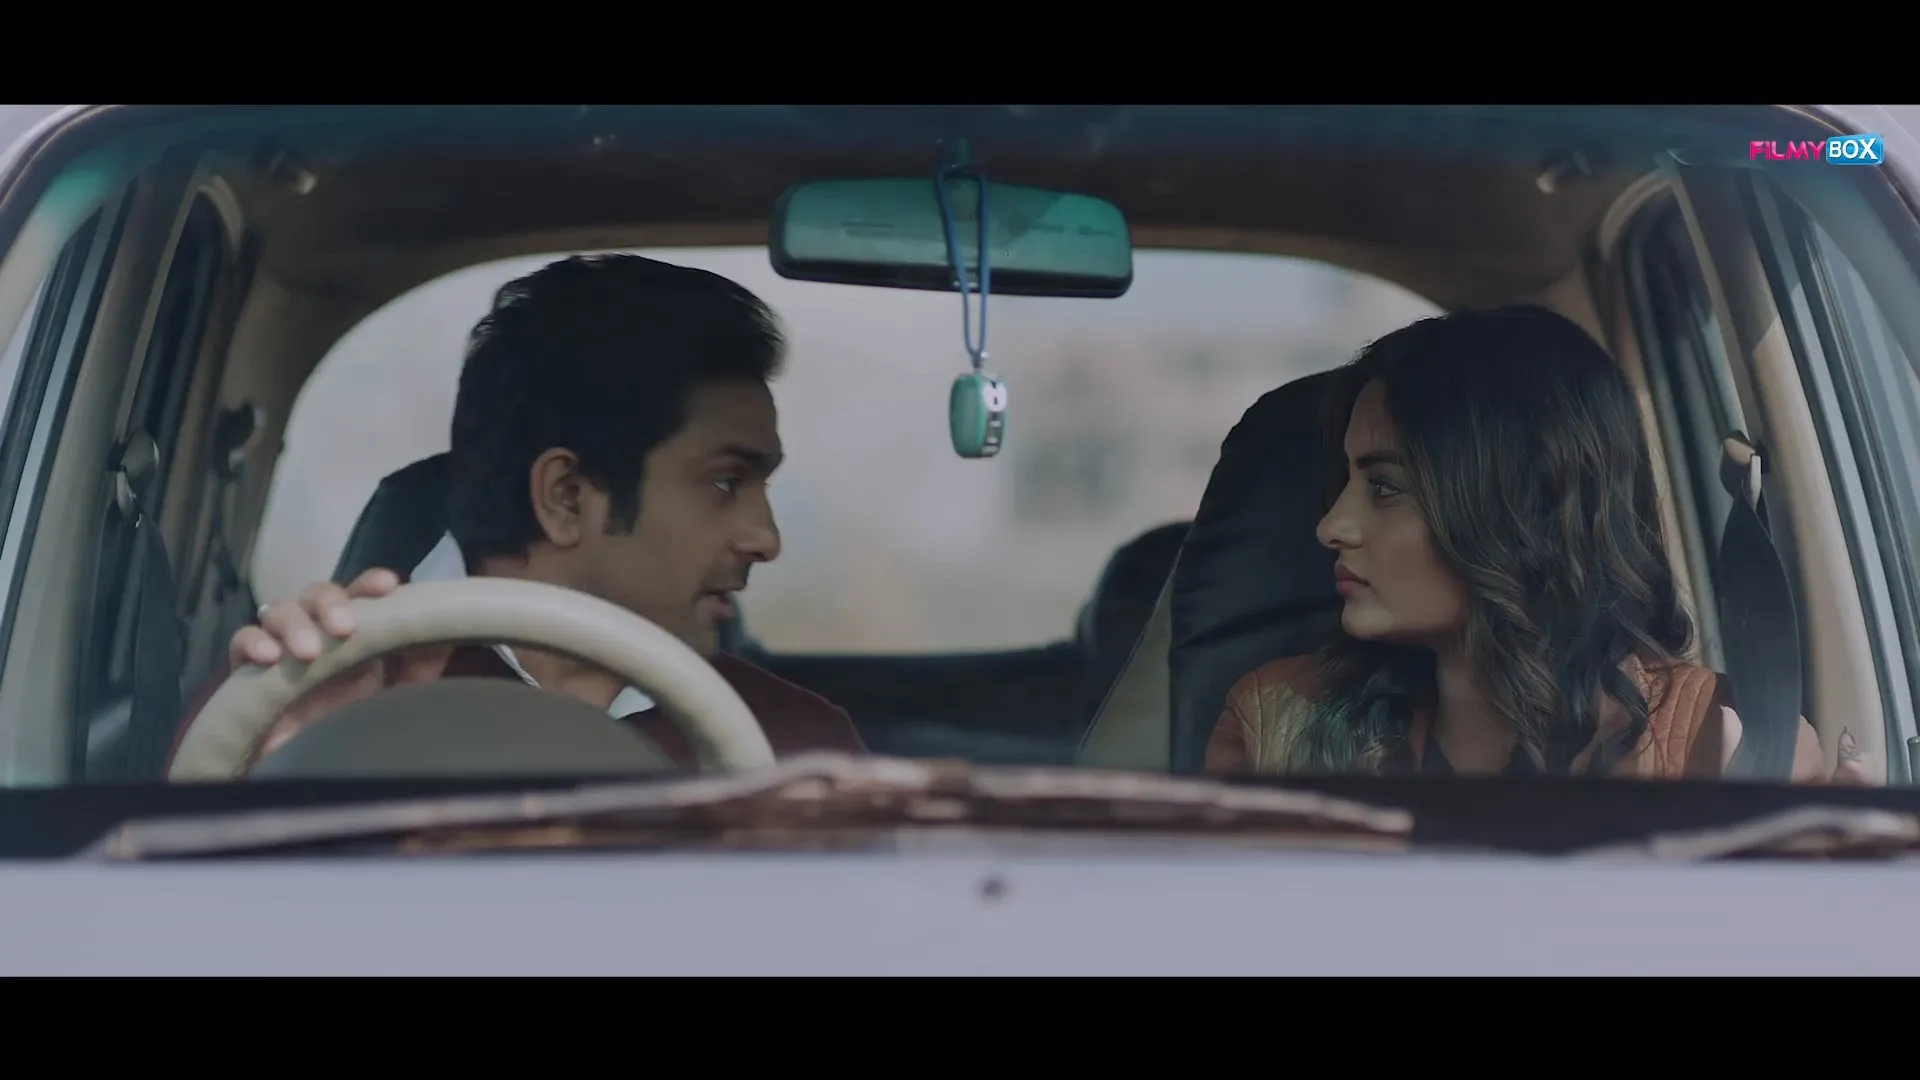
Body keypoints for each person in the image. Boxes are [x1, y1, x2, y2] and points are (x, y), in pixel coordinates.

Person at [170, 254, 867, 773]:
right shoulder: (288, 702)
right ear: (566, 495)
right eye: (725, 482)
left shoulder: (794, 744)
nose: (766, 539)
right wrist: (289, 770)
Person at [1205, 305, 1873, 783]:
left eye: (1384, 487)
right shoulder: (1278, 724)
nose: (1331, 526)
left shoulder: (1723, 742)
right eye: (1345, 482)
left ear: (1520, 508)